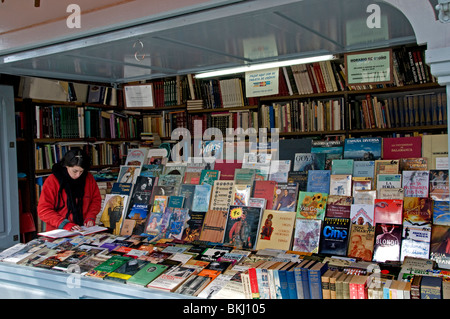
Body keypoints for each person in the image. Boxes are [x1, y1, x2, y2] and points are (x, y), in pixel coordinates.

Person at [37, 149, 102, 232]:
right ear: (66, 166)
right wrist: (64, 224)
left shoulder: (88, 178)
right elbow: (43, 210)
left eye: (81, 171)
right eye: (75, 171)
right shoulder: (52, 181)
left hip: (84, 230)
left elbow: (96, 200)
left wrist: (90, 216)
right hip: (58, 230)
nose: (78, 175)